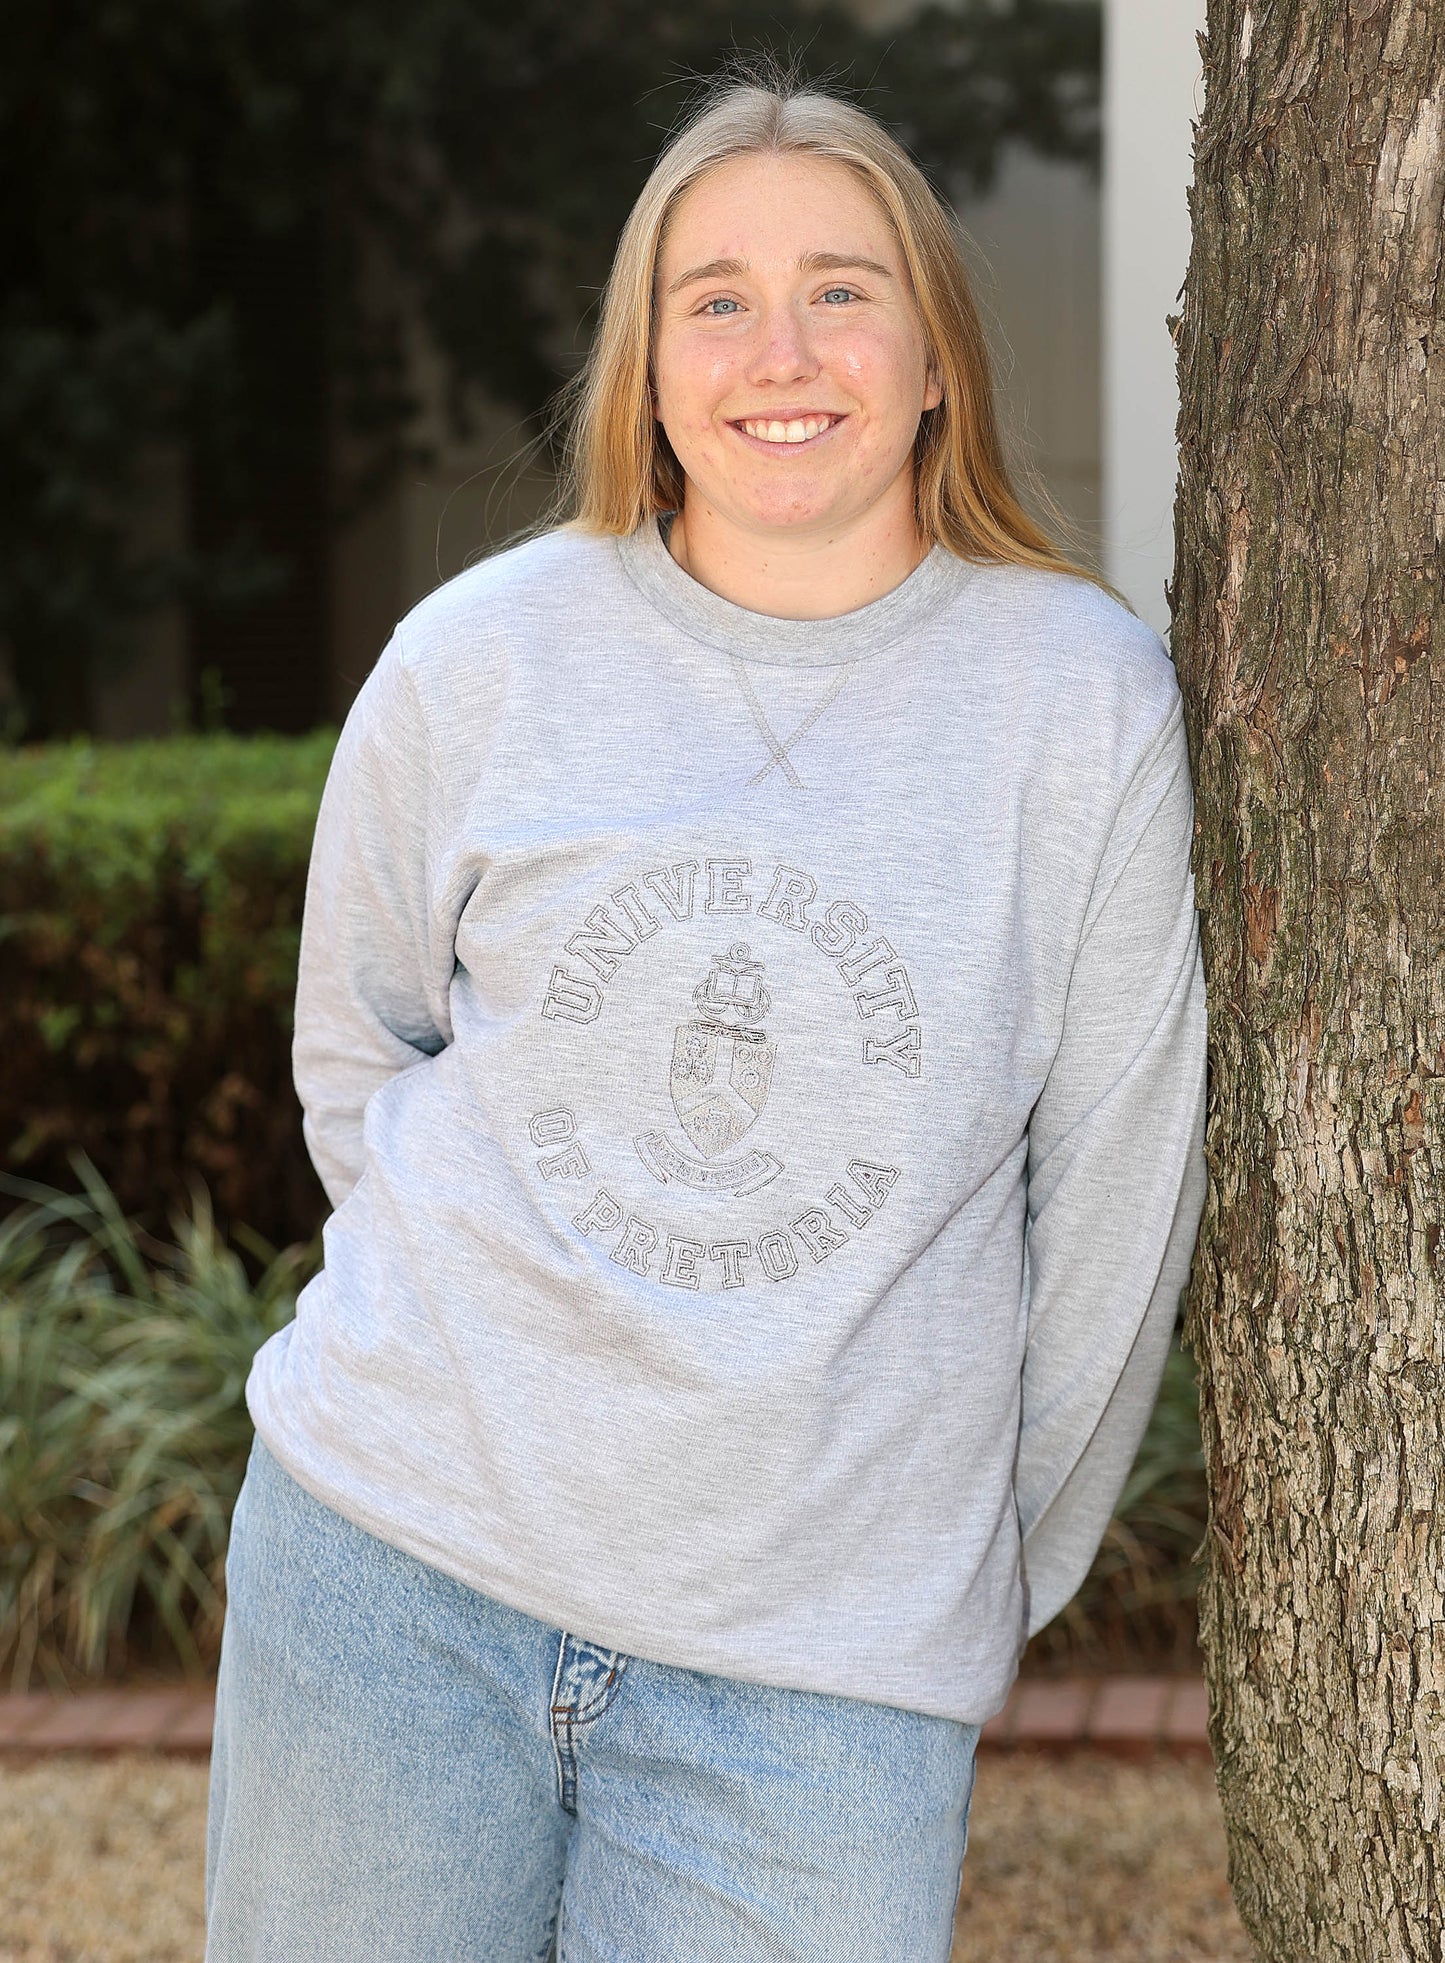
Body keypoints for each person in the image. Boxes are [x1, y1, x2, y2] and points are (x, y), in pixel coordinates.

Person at [204, 71, 1208, 1963]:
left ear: (935, 356)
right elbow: (361, 1054)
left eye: (841, 290)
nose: (780, 352)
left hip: (821, 1675)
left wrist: (961, 1585)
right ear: (647, 370)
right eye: (716, 300)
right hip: (394, 1574)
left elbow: (1114, 1207)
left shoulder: (1082, 708)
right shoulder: (477, 661)